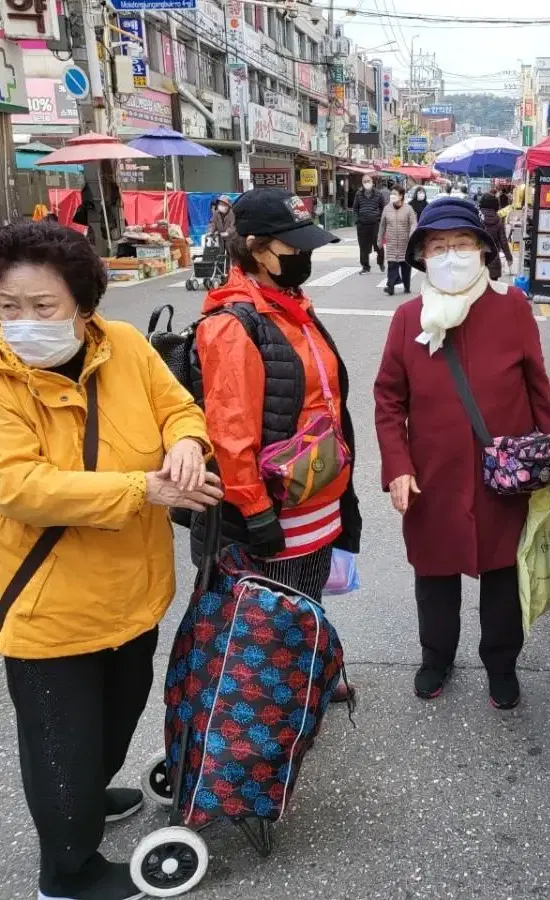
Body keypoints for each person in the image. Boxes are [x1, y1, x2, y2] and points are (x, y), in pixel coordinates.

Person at [0, 221, 221, 900]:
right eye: (8, 307)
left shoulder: (124, 346)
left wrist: (187, 444)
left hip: (132, 590)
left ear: (85, 307)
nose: (24, 323)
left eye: (44, 308)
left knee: (115, 720)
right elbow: (21, 487)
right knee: (60, 748)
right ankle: (68, 873)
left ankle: (83, 806)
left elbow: (178, 408)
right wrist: (144, 488)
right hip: (48, 609)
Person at [373, 197, 550, 711]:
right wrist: (398, 468)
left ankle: (502, 663)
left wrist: (546, 455)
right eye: (438, 246)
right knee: (434, 573)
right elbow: (389, 398)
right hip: (432, 473)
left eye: (461, 244)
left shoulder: (513, 307)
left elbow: (538, 386)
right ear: (423, 257)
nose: (450, 255)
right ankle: (437, 657)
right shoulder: (410, 316)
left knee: (501, 571)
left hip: (506, 470)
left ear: (482, 250)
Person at [196, 189, 361, 686]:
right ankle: (274, 711)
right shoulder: (233, 324)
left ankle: (306, 680)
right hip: (277, 508)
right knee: (272, 615)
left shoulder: (290, 306)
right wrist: (256, 512)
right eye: (294, 248)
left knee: (302, 602)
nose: (304, 257)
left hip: (317, 491)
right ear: (255, 247)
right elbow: (229, 433)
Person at [378, 185, 417, 296]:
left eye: (395, 194)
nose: (392, 196)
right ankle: (390, 287)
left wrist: (411, 235)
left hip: (405, 243)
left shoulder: (408, 209)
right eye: (392, 194)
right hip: (391, 243)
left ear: (401, 196)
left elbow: (413, 223)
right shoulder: (387, 209)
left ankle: (406, 286)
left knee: (405, 268)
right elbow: (382, 226)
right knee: (392, 266)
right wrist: (379, 240)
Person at [353, 176, 385, 273]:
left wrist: (379, 219)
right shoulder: (358, 194)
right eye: (365, 181)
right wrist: (358, 218)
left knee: (378, 244)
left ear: (372, 182)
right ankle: (365, 266)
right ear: (362, 183)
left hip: (375, 224)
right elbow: (355, 208)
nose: (367, 183)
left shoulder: (378, 194)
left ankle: (381, 263)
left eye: (368, 181)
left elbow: (382, 207)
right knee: (363, 246)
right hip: (362, 224)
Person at [478, 193, 514, 279]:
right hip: (494, 261)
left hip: (478, 261)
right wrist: (509, 257)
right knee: (493, 290)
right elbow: (503, 241)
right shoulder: (499, 220)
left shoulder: (476, 217)